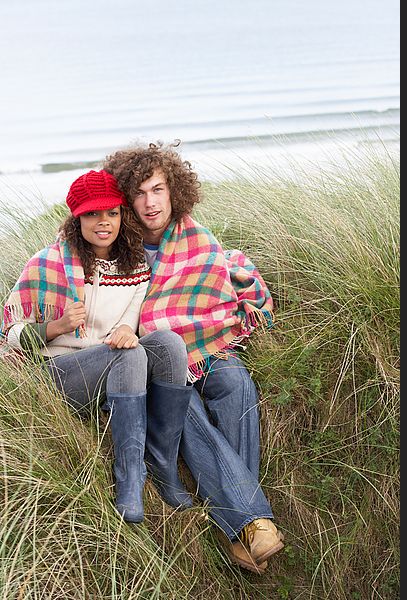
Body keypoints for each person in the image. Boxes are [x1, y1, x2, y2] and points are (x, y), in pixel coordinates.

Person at [104, 143, 284, 574]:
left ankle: (245, 533)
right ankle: (253, 523)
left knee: (237, 383)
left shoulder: (194, 236)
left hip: (207, 345)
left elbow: (214, 289)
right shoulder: (116, 244)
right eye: (140, 193)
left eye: (158, 189)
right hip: (155, 354)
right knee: (185, 407)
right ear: (126, 199)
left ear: (173, 191)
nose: (150, 203)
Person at [0, 169, 193, 524]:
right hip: (55, 378)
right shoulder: (46, 264)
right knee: (130, 354)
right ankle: (129, 479)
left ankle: (162, 464)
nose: (104, 222)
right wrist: (54, 327)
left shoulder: (135, 265)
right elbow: (8, 333)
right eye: (92, 213)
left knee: (167, 344)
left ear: (122, 215)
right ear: (77, 217)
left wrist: (126, 329)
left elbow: (131, 318)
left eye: (112, 213)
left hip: (112, 370)